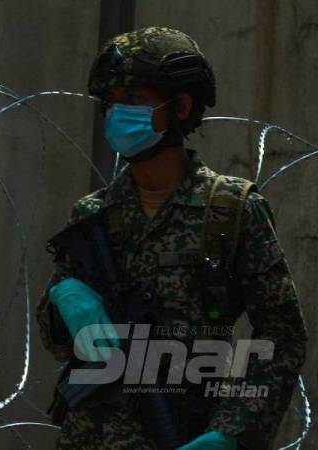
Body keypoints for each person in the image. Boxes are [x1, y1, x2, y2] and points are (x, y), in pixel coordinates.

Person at [36, 26, 308, 450]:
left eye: (133, 101)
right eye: (110, 103)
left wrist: (233, 433)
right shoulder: (95, 215)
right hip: (90, 436)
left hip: (186, 427)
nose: (116, 114)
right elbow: (57, 343)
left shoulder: (231, 210)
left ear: (180, 107)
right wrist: (63, 299)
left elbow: (281, 335)